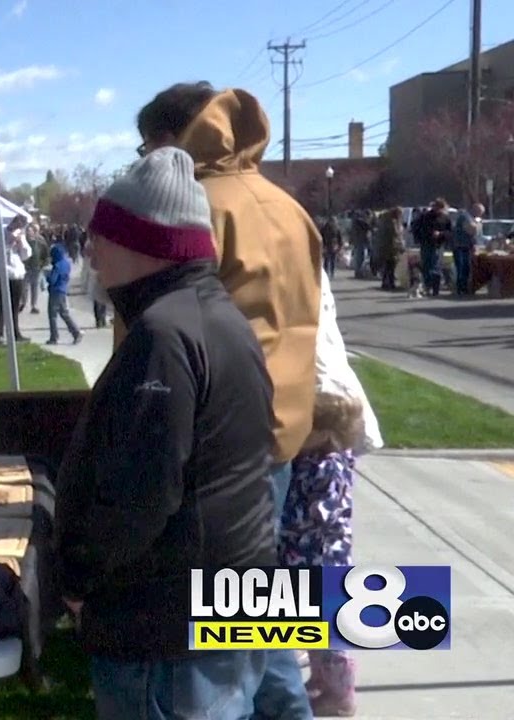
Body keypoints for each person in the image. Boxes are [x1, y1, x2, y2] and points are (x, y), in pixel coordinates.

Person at [56, 147, 278, 719]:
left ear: (142, 243)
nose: (93, 253)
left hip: (167, 626)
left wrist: (79, 580)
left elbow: (142, 493)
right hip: (226, 602)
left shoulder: (163, 334)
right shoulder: (220, 317)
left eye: (102, 237)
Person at [130, 81, 319, 718]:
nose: (141, 159)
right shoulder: (287, 206)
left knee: (207, 665)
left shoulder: (196, 210)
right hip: (281, 436)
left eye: (146, 144)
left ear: (173, 139)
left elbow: (161, 335)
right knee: (257, 622)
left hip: (215, 445)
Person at [280, 270, 383, 718]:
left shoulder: (318, 468)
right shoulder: (333, 459)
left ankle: (338, 692)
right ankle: (324, 683)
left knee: (324, 631)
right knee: (317, 631)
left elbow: (308, 515)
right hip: (323, 555)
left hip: (313, 556)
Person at [0, 215, 32, 343]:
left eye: (20, 226)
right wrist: (9, 244)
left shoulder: (20, 235)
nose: (17, 227)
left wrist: (20, 242)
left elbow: (26, 255)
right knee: (1, 305)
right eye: (16, 224)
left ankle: (15, 332)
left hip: (16, 275)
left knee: (15, 306)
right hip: (0, 274)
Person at [43, 242, 81, 344]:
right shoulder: (66, 263)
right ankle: (76, 332)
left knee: (52, 315)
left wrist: (46, 275)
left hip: (55, 291)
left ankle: (54, 337)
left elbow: (52, 280)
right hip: (63, 290)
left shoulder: (57, 266)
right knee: (64, 313)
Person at [452, 202, 482, 296]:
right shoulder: (465, 216)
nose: (479, 215)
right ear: (474, 210)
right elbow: (471, 230)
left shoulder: (472, 218)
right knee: (461, 267)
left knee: (467, 268)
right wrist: (477, 225)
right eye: (479, 212)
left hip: (467, 246)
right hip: (460, 246)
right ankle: (460, 288)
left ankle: (465, 287)